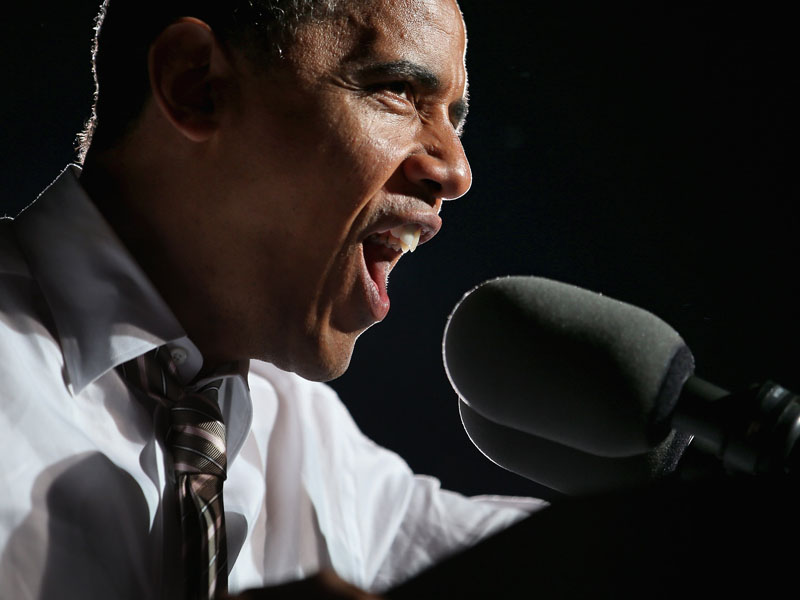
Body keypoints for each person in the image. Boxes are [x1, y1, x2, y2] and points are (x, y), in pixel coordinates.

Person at [0, 1, 545, 598]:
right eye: (397, 90)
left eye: (454, 119)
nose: (457, 171)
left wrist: (661, 454)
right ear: (197, 86)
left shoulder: (301, 431)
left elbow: (551, 566)